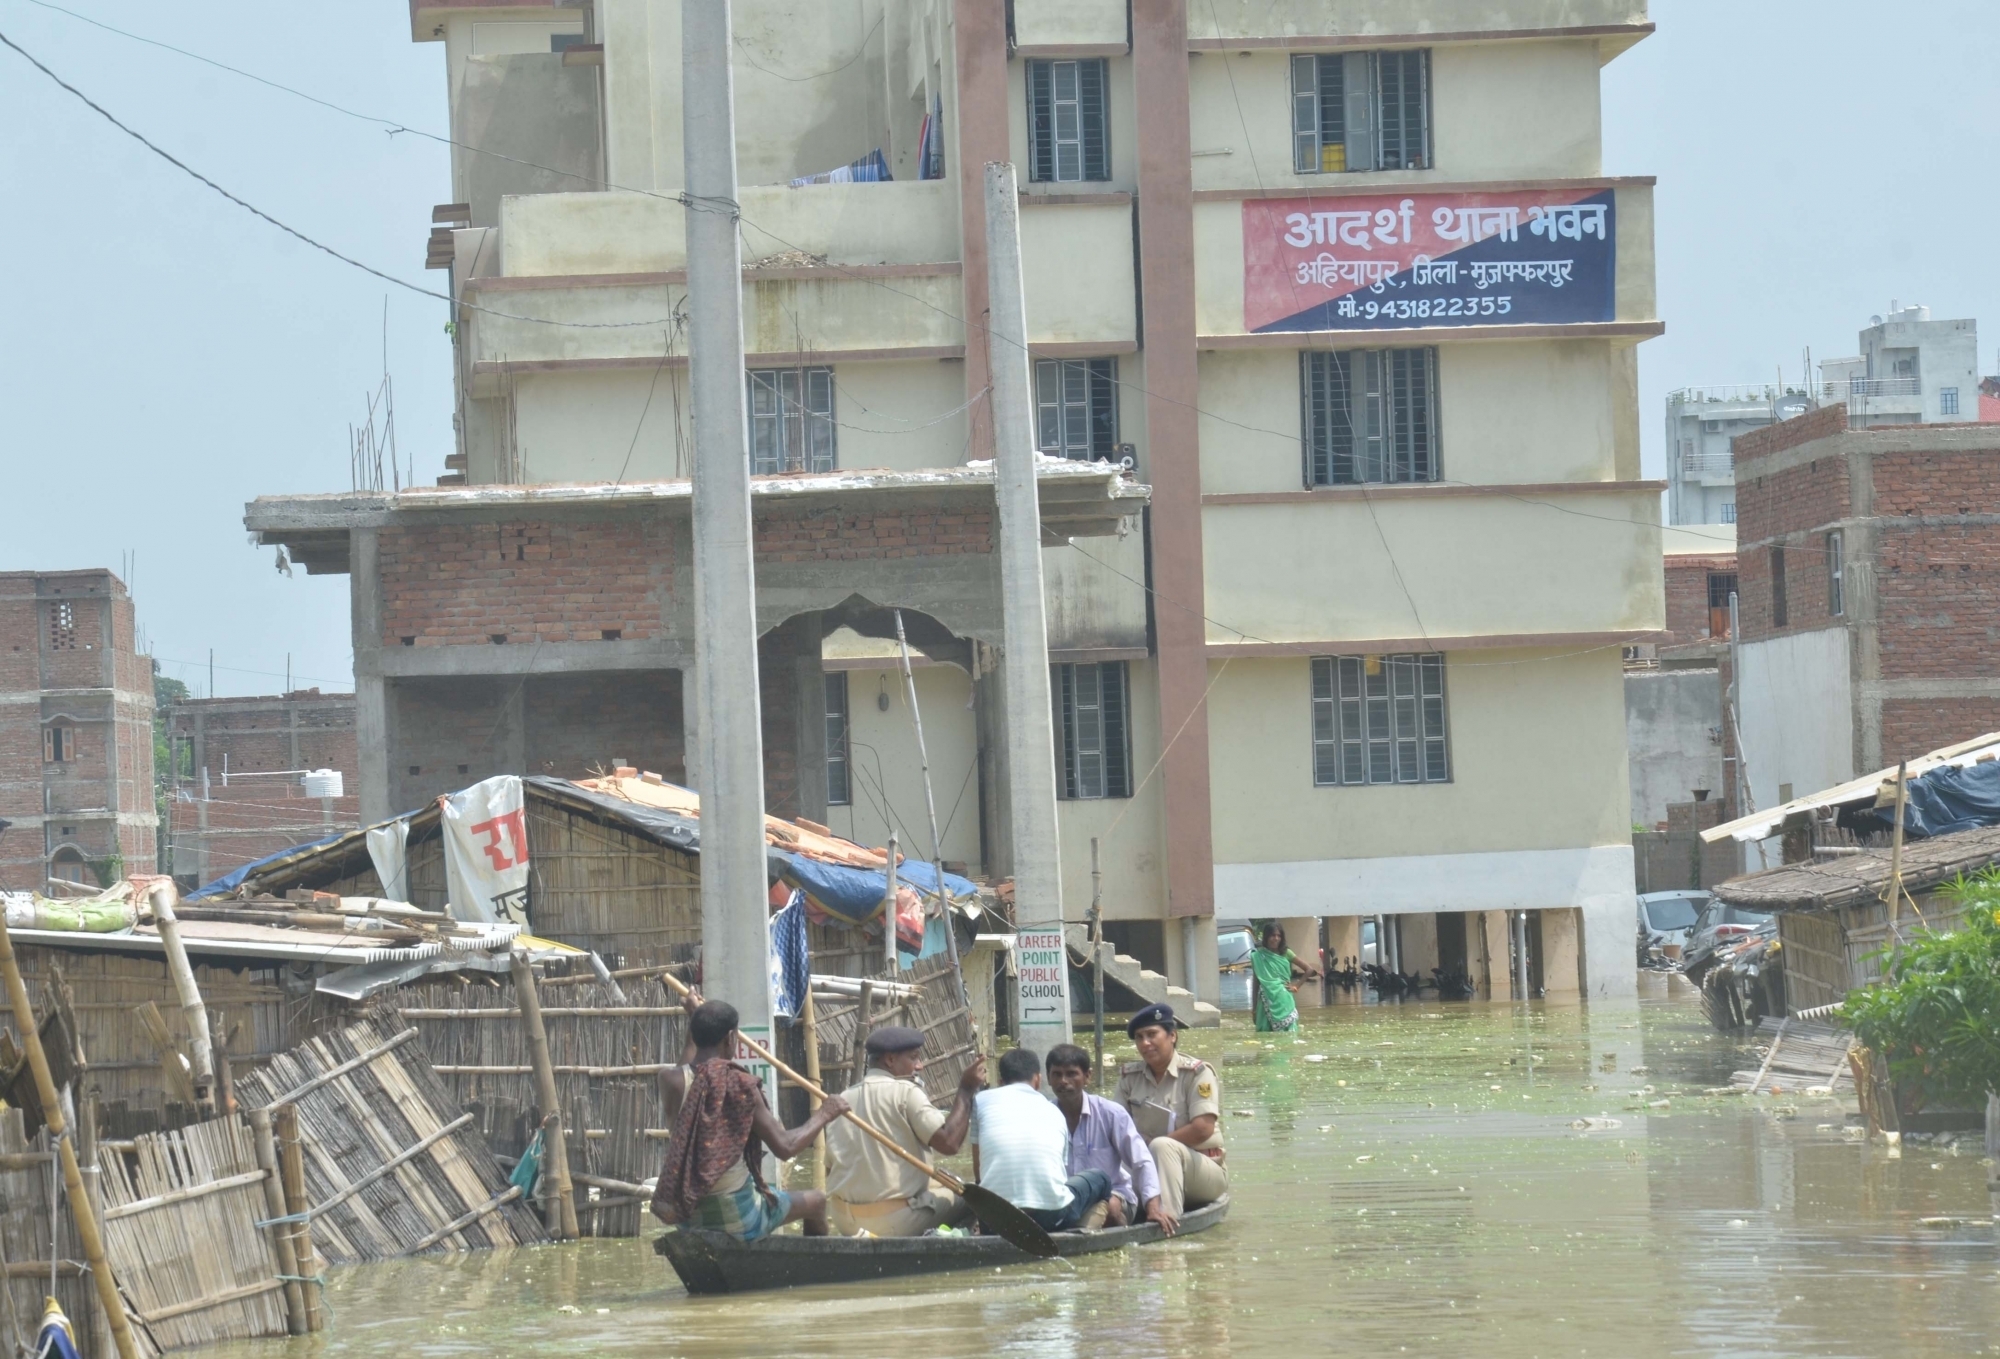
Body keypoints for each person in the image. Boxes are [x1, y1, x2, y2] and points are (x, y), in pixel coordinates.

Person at [650, 999, 849, 1240]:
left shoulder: (669, 1081)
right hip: (738, 1217)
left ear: (694, 1033)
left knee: (772, 1192)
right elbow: (785, 1148)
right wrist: (825, 1113)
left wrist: (695, 1021)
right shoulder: (741, 1086)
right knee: (816, 1201)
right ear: (731, 1038)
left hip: (686, 1212)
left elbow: (688, 1063)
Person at [823, 1026, 984, 1237]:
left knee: (939, 1184)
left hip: (844, 1220)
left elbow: (829, 1171)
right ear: (890, 1060)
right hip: (892, 1223)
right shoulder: (906, 1092)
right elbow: (949, 1143)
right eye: (914, 1057)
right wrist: (966, 1089)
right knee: (972, 1198)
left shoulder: (842, 1099)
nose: (920, 1065)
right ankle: (943, 1247)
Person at [968, 1047, 1112, 1232]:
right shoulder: (1054, 1111)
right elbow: (1060, 1176)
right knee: (1101, 1178)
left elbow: (979, 1173)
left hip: (995, 1220)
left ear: (1001, 1081)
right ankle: (1082, 1230)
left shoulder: (981, 1100)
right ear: (1038, 1080)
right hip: (1050, 1218)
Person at [1043, 1044, 1173, 1235]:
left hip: (1113, 1195)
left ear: (1087, 1077)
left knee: (1109, 1208)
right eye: (1057, 1074)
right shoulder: (1043, 1116)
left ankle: (1120, 1238)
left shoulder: (1110, 1113)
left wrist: (1153, 1208)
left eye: (1071, 1074)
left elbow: (1141, 1161)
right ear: (1048, 1078)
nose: (1063, 1081)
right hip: (1063, 1198)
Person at [1113, 1003, 1226, 1219]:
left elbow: (1203, 1128)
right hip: (1149, 1168)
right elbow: (1116, 1126)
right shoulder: (1129, 1078)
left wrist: (1151, 1147)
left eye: (1152, 1034)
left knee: (1162, 1146)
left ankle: (1167, 1221)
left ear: (1172, 1036)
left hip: (1202, 1171)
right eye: (1139, 1037)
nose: (1145, 1043)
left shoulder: (1197, 1073)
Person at [1251, 923, 1318, 1033]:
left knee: (1289, 1034)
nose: (1276, 938)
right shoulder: (1259, 956)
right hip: (1265, 1001)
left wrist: (1296, 986)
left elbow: (1309, 970)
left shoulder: (1286, 953)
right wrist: (1254, 1009)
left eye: (1279, 936)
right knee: (1265, 1035)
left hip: (1284, 999)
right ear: (1266, 937)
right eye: (1272, 935)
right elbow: (1256, 983)